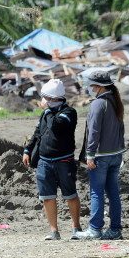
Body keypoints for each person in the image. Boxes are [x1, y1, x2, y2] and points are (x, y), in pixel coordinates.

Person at [23, 79, 81, 240]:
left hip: (64, 161)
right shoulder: (46, 114)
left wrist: (47, 110)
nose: (44, 101)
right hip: (44, 162)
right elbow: (37, 134)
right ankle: (54, 231)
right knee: (47, 197)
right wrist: (27, 150)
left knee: (70, 195)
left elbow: (57, 126)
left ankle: (76, 228)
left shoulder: (69, 113)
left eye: (47, 98)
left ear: (55, 98)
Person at [74, 71, 125, 240]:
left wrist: (89, 155)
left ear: (99, 86)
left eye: (90, 85)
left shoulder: (98, 104)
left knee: (97, 192)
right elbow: (120, 129)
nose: (89, 88)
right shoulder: (115, 101)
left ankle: (95, 229)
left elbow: (93, 132)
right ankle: (115, 229)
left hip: (100, 156)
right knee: (113, 193)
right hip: (116, 154)